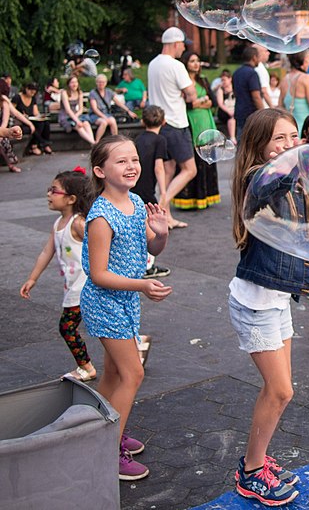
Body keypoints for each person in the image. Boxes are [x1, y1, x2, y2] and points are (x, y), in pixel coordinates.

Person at [230, 108, 309, 505]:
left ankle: (257, 459)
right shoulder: (259, 179)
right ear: (260, 146)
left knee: (280, 390)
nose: (289, 146)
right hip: (255, 305)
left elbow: (298, 241)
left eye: (293, 137)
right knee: (281, 391)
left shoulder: (291, 184)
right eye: (280, 140)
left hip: (276, 301)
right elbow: (273, 181)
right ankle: (250, 471)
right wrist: (297, 158)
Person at [80, 134, 172, 481]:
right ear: (100, 171)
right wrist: (143, 285)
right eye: (121, 161)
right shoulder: (101, 217)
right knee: (134, 373)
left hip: (126, 300)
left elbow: (154, 249)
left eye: (134, 159)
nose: (132, 166)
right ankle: (107, 451)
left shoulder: (134, 202)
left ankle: (97, 430)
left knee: (115, 374)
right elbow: (100, 274)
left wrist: (160, 234)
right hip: (105, 303)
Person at [20, 168, 97, 380]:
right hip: (74, 287)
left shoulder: (79, 223)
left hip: (84, 286)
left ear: (71, 199)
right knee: (99, 323)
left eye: (54, 191)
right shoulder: (58, 224)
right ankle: (135, 342)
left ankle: (87, 368)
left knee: (67, 327)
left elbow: (100, 244)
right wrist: (32, 278)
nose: (48, 194)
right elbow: (47, 251)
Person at [147, 26, 197, 229]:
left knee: (167, 170)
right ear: (175, 44)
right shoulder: (176, 65)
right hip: (176, 123)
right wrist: (188, 95)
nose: (184, 49)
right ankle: (161, 207)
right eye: (183, 45)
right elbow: (192, 94)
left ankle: (165, 217)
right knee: (189, 169)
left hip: (160, 124)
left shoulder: (152, 64)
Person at [172, 52, 221, 211]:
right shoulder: (182, 82)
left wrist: (199, 103)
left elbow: (213, 101)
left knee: (207, 161)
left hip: (206, 123)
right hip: (190, 124)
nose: (196, 64)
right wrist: (200, 102)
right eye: (192, 61)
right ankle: (190, 199)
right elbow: (185, 105)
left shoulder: (203, 80)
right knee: (193, 161)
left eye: (197, 61)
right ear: (185, 63)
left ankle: (206, 197)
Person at [131, 105, 171, 281]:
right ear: (163, 122)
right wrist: (163, 191)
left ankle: (135, 262)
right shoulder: (160, 140)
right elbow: (159, 166)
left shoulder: (137, 139)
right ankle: (148, 266)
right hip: (147, 190)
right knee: (151, 228)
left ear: (142, 121)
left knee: (137, 224)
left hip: (133, 188)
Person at [89, 74, 137, 142]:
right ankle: (96, 141)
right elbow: (94, 109)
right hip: (95, 115)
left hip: (106, 114)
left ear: (106, 83)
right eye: (99, 82)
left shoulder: (109, 91)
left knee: (112, 120)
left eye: (103, 82)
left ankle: (115, 139)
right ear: (96, 82)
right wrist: (104, 117)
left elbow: (118, 103)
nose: (101, 84)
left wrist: (128, 111)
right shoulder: (93, 93)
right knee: (104, 122)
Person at [12, 82, 53, 155]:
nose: (32, 94)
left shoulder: (32, 98)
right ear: (26, 89)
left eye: (34, 93)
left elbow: (36, 112)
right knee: (36, 126)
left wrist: (41, 116)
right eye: (31, 92)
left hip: (31, 119)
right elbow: (12, 111)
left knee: (44, 123)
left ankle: (39, 144)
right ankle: (40, 145)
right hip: (21, 120)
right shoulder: (17, 97)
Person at [232, 46, 264, 139]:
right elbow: (256, 96)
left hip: (239, 112)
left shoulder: (236, 72)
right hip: (251, 114)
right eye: (258, 57)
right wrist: (263, 113)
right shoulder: (252, 73)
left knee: (241, 143)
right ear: (254, 57)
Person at [59, 76, 95, 145]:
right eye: (72, 82)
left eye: (76, 82)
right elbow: (68, 110)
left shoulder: (79, 92)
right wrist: (77, 120)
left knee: (86, 123)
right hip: (65, 116)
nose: (74, 84)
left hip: (76, 114)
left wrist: (76, 116)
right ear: (68, 84)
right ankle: (94, 143)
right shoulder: (64, 93)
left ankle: (92, 142)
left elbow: (81, 108)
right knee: (79, 126)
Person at [0, 78, 24, 172]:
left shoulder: (4, 102)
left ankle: (11, 164)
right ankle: (11, 164)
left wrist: (8, 132)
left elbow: (5, 123)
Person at [215, 70, 236, 143]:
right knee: (231, 117)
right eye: (222, 80)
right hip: (224, 110)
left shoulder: (235, 87)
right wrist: (229, 111)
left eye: (224, 80)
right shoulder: (220, 90)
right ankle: (232, 137)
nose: (223, 82)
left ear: (230, 79)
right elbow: (220, 103)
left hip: (234, 108)